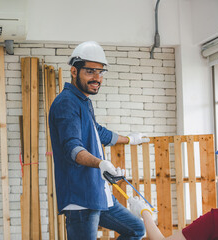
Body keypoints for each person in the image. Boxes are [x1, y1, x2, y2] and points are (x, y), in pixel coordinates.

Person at [49, 41, 148, 240]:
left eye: (101, 72)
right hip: (81, 198)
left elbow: (98, 133)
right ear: (74, 71)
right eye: (90, 71)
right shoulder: (67, 102)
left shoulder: (82, 101)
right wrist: (100, 163)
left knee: (137, 229)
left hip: (97, 193)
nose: (97, 78)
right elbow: (72, 148)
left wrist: (129, 139)